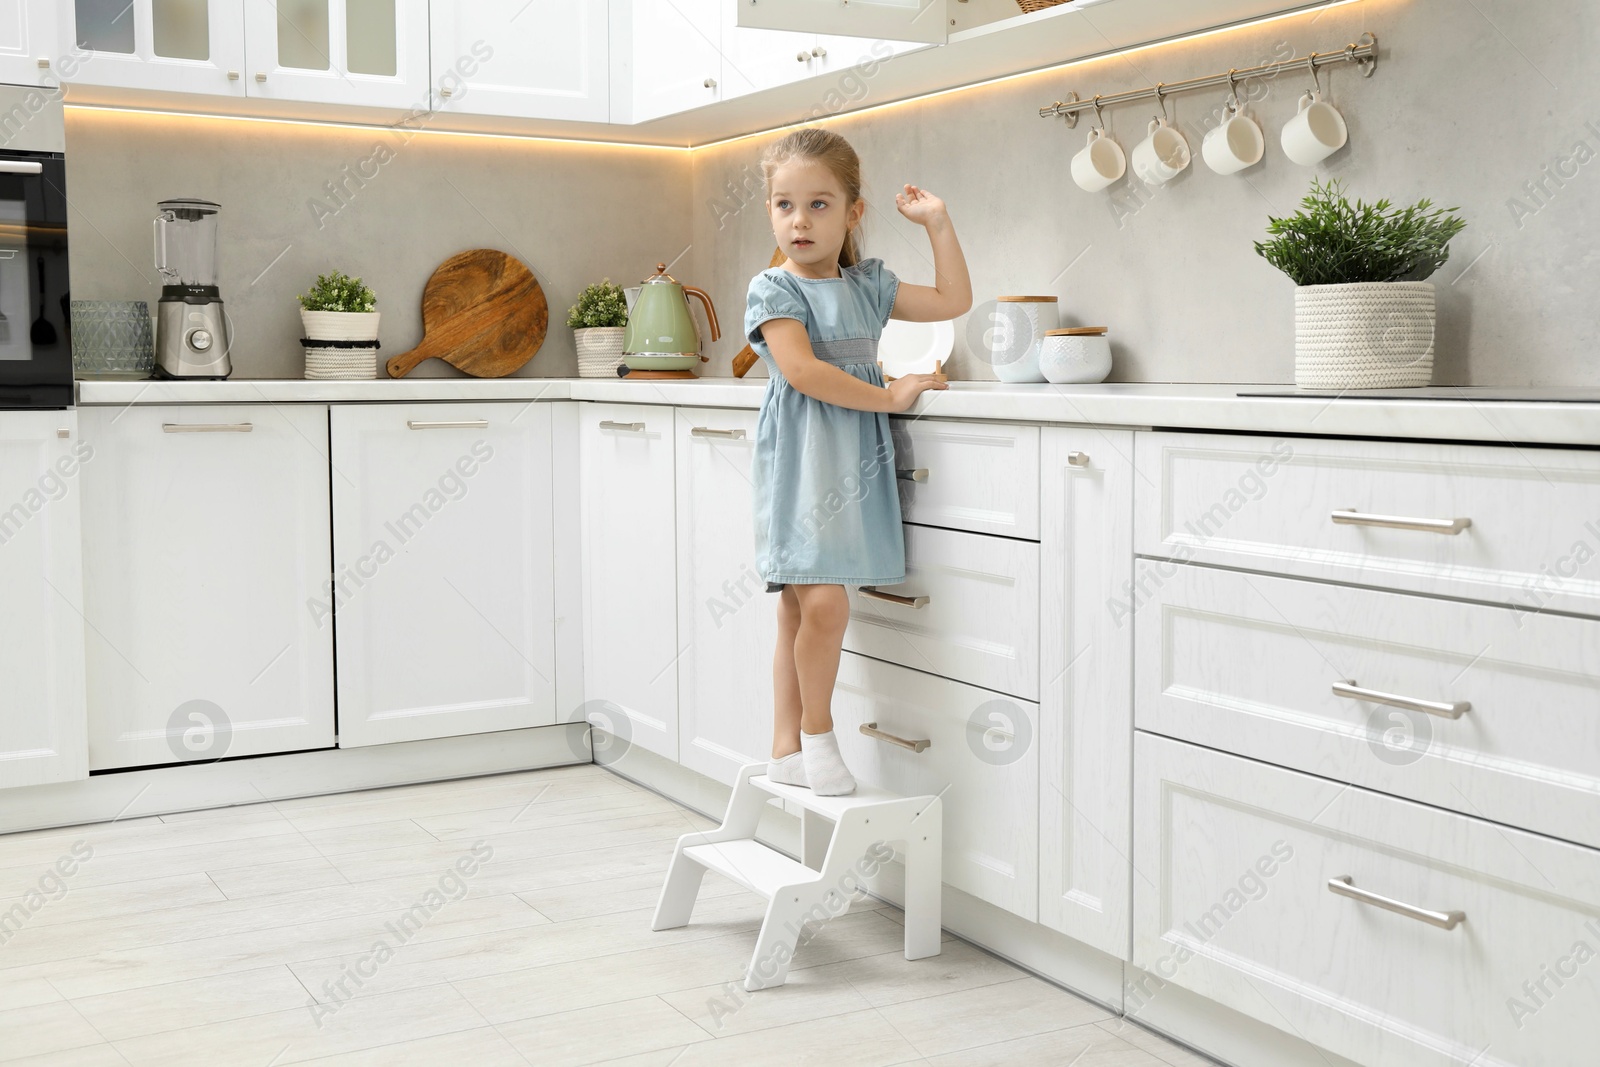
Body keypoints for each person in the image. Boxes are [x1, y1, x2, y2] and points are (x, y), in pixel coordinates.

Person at [743, 128, 972, 796]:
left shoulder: (868, 285)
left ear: (852, 212)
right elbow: (805, 372)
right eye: (785, 204)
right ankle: (819, 734)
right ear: (771, 213)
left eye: (819, 204)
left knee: (799, 610)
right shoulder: (773, 290)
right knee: (823, 606)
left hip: (854, 462)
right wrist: (890, 391)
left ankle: (785, 745)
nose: (800, 220)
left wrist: (938, 223)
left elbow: (953, 300)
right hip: (802, 467)